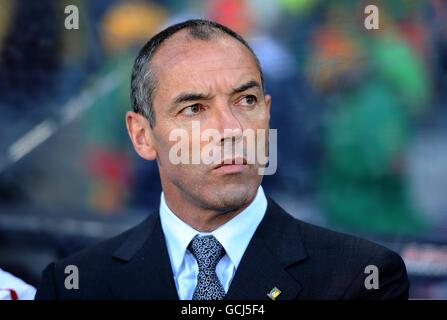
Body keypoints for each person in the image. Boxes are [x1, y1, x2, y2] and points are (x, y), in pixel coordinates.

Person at [35, 19, 409, 300]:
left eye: (246, 101)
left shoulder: (360, 279)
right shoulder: (73, 285)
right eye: (194, 108)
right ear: (142, 136)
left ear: (267, 112)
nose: (230, 129)